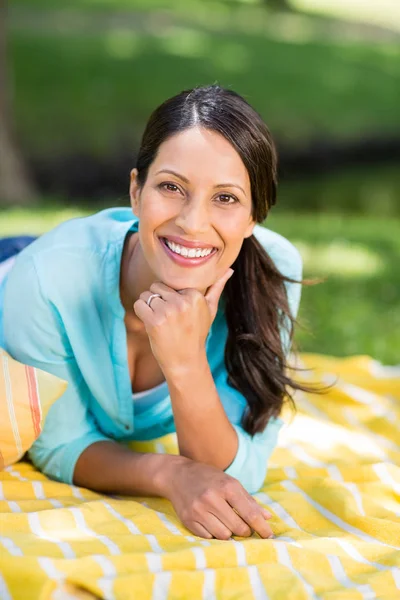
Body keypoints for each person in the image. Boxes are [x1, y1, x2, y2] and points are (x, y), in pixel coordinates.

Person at [0, 85, 306, 541]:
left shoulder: (273, 275)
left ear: (254, 218)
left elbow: (237, 470)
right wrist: (170, 474)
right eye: (171, 187)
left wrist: (184, 361)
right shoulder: (44, 283)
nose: (192, 222)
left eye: (225, 198)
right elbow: (61, 444)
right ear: (136, 191)